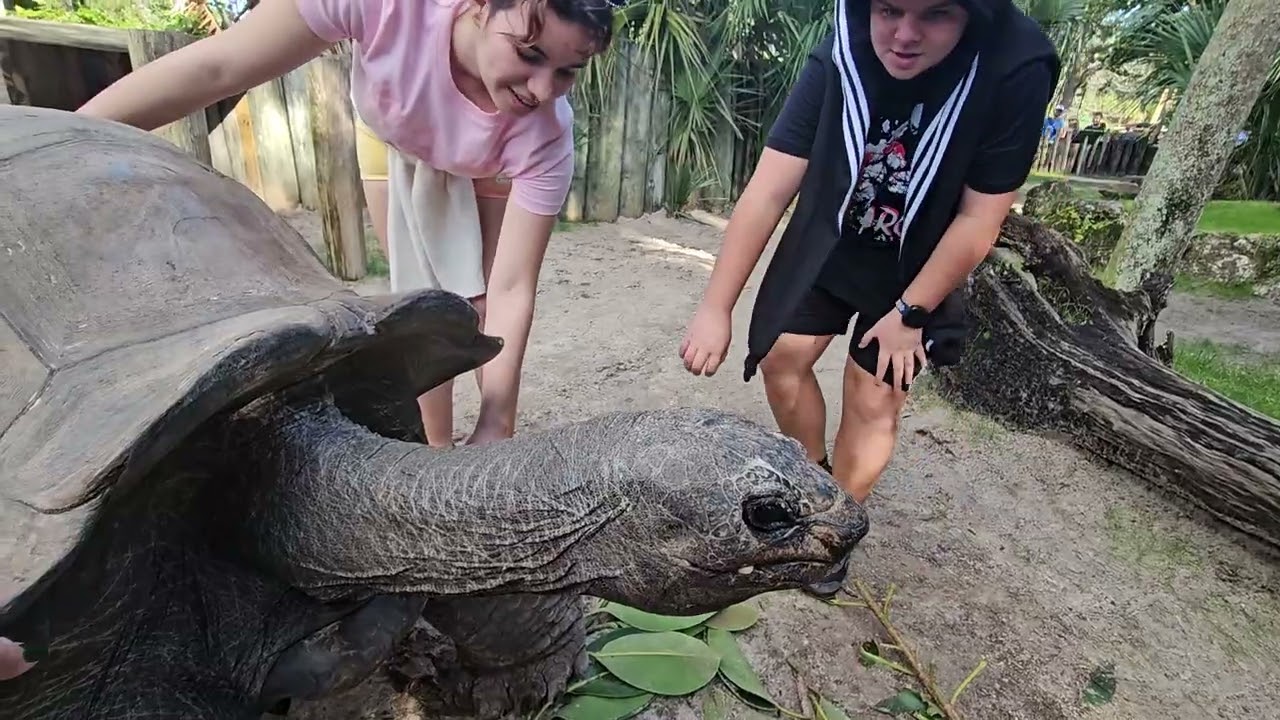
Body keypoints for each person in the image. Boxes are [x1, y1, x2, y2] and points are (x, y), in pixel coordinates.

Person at [76, 0, 619, 447]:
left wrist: (497, 421)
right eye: (529, 53)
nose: (543, 89)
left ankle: (488, 435)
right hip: (396, 136)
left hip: (489, 161)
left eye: (568, 70)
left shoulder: (544, 132)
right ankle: (436, 451)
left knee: (476, 307)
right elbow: (221, 66)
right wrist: (69, 134)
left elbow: (511, 285)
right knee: (425, 304)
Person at [679, 0, 1058, 508]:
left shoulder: (1018, 64)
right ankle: (815, 489)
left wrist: (911, 313)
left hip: (923, 257)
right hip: (838, 237)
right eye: (889, 10)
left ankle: (840, 519)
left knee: (873, 388)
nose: (905, 35)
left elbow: (978, 219)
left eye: (936, 15)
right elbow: (768, 190)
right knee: (781, 355)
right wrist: (715, 307)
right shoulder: (843, 45)